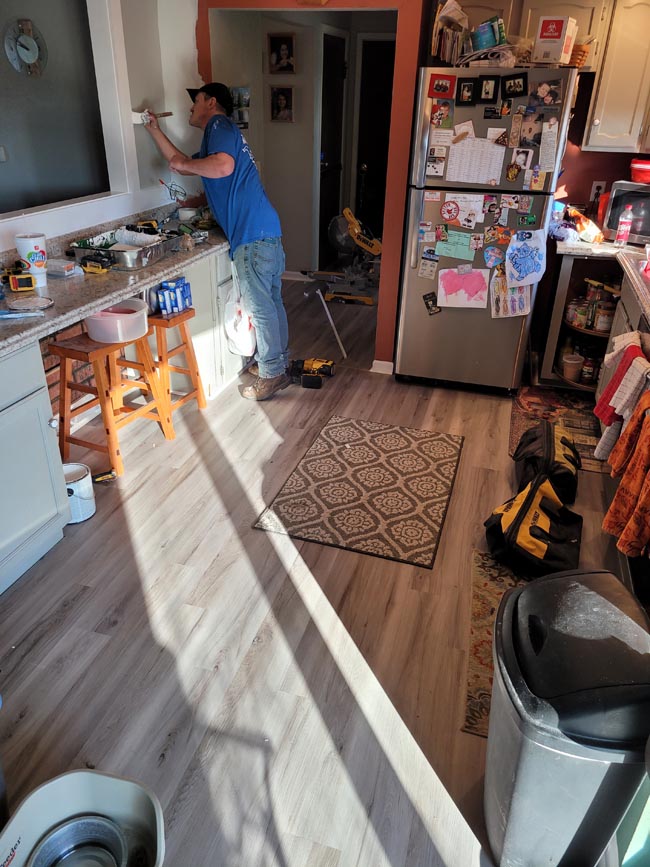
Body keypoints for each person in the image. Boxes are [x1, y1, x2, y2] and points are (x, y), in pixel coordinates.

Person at [144, 83, 289, 401]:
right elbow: (182, 161)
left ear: (211, 102)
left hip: (252, 235)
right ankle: (278, 363)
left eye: (195, 101)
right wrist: (154, 129)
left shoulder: (219, 125)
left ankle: (272, 372)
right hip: (266, 230)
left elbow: (222, 167)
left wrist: (184, 165)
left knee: (261, 307)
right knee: (271, 303)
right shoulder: (218, 136)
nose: (190, 108)